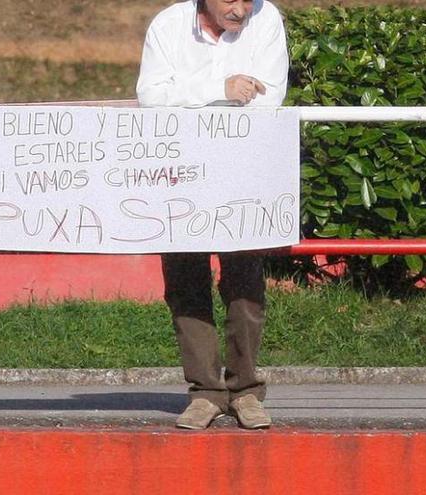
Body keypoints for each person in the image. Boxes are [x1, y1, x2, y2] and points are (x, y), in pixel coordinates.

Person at [135, 0, 289, 429]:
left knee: (245, 282)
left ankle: (245, 391)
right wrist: (219, 88)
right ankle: (204, 392)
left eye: (248, 0)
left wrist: (186, 96)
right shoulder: (167, 25)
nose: (240, 9)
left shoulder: (268, 18)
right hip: (179, 171)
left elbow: (269, 97)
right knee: (185, 282)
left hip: (243, 170)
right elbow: (151, 98)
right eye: (230, 0)